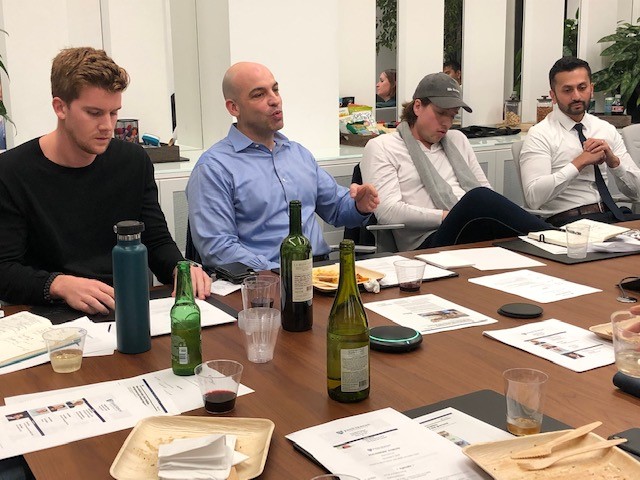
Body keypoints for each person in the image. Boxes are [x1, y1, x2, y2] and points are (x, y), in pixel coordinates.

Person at [0, 47, 211, 314]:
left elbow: (156, 241)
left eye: (113, 113)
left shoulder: (133, 161)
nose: (108, 126)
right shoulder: (12, 171)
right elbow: (5, 270)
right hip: (49, 313)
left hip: (123, 306)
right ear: (60, 107)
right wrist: (59, 284)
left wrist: (180, 268)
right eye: (94, 113)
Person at [186, 62, 379, 271]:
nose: (274, 100)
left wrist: (359, 205)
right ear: (234, 108)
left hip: (320, 272)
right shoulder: (214, 168)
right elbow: (219, 249)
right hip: (261, 280)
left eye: (275, 90)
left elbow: (337, 209)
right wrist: (281, 273)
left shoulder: (298, 154)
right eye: (259, 95)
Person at [361, 72, 551, 251]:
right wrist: (449, 215)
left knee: (494, 213)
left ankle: (552, 242)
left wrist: (466, 213)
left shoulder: (457, 139)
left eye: (452, 115)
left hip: (471, 229)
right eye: (441, 113)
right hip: (427, 242)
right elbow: (387, 212)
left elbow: (486, 191)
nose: (447, 123)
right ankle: (554, 236)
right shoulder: (383, 146)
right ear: (417, 106)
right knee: (478, 198)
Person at [520, 56, 640, 227]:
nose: (576, 96)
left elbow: (637, 194)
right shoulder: (540, 134)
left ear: (591, 89)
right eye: (567, 90)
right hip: (569, 222)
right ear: (553, 96)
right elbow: (533, 198)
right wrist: (579, 163)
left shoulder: (605, 129)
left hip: (612, 215)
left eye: (582, 88)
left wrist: (614, 162)